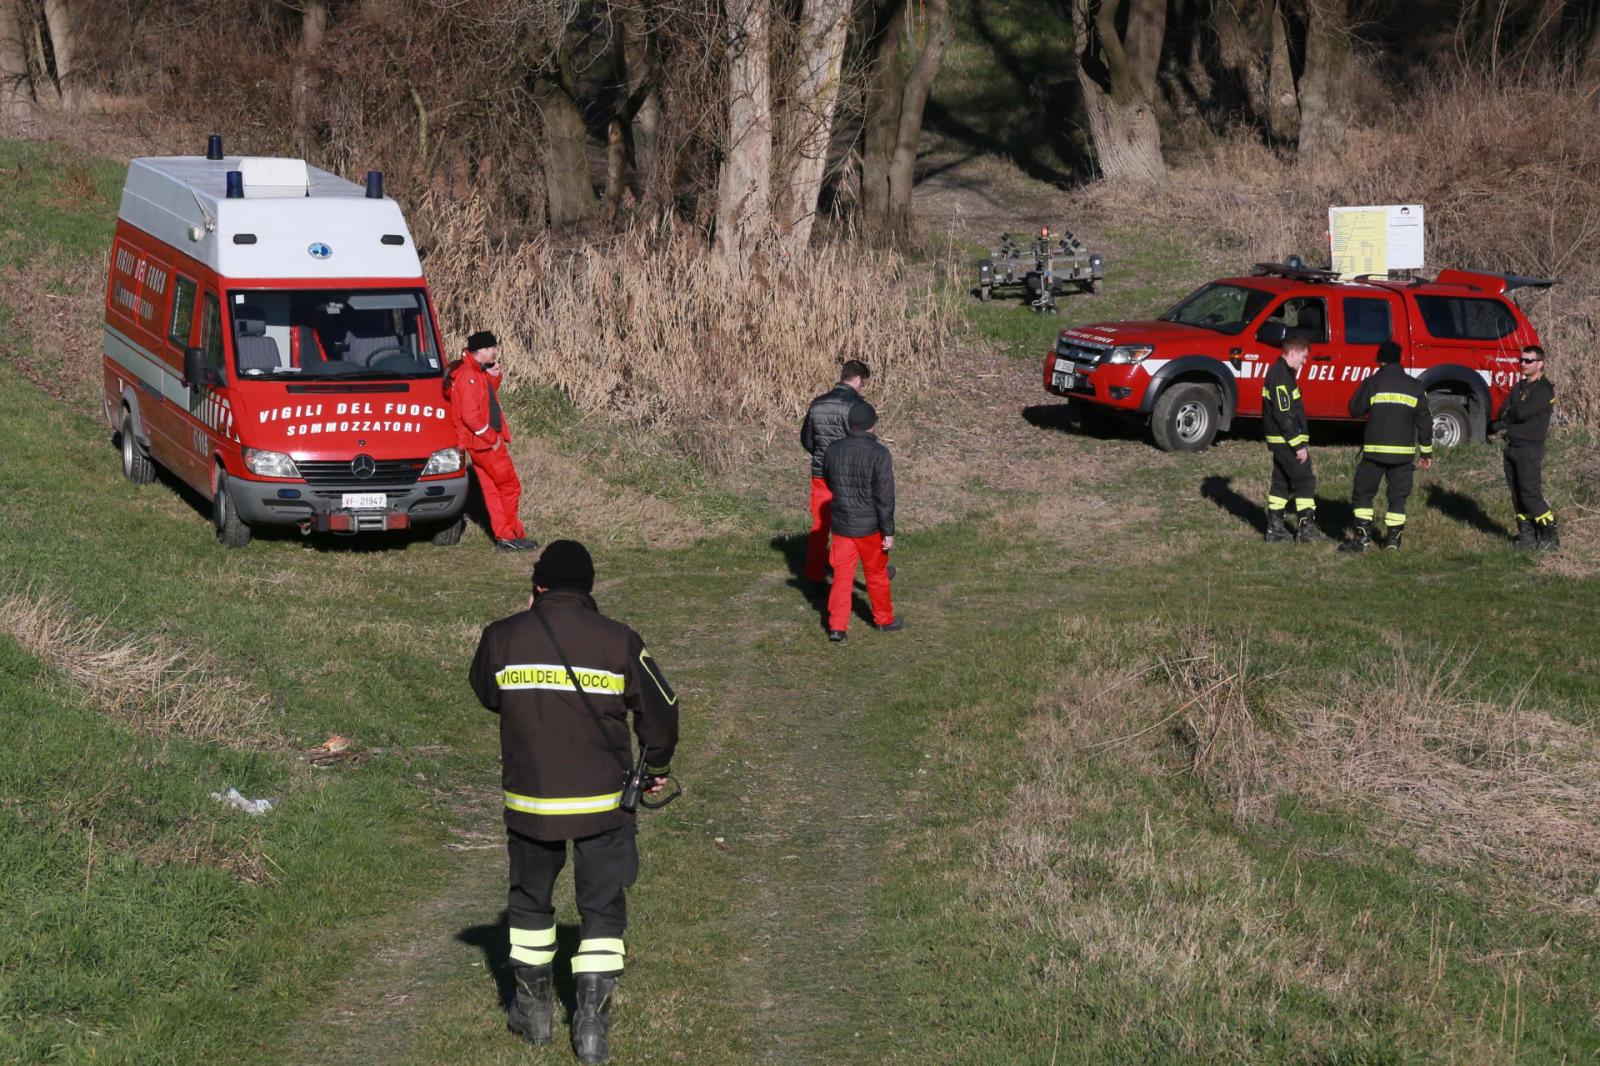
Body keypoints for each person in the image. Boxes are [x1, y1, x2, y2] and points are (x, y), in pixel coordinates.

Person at [469, 540, 679, 1063]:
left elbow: (486, 692)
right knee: (601, 909)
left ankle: (534, 1014)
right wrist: (654, 769)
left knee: (529, 901)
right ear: (589, 590)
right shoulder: (619, 640)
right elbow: (663, 709)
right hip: (603, 804)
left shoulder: (501, 637)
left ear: (537, 585)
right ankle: (591, 1028)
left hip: (529, 802)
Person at [448, 330, 537, 552]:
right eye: (491, 348)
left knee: (493, 491)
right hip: (485, 444)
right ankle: (512, 533)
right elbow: (470, 416)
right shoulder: (468, 376)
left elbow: (486, 399)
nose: (495, 351)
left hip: (481, 444)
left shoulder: (475, 372)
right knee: (510, 487)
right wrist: (492, 439)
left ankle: (504, 537)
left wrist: (494, 376)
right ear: (480, 351)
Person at [1341, 341, 1432, 552]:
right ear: (1399, 359)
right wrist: (1426, 452)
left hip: (1374, 453)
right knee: (1398, 498)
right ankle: (1393, 542)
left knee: (1363, 494)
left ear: (1380, 361)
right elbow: (1425, 421)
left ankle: (1362, 539)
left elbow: (1354, 409)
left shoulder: (1373, 382)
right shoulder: (1416, 386)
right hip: (1403, 456)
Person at [821, 401, 899, 642]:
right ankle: (884, 620)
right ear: (872, 426)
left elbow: (828, 481)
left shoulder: (833, 450)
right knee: (876, 575)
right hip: (870, 527)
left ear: (849, 425)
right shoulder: (879, 454)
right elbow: (884, 496)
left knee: (842, 577)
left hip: (843, 526)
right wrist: (888, 530)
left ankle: (837, 627)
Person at [800, 360, 870, 587]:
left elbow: (807, 439)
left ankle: (813, 575)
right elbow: (863, 442)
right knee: (855, 525)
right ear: (858, 379)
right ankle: (866, 570)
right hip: (848, 476)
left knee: (820, 526)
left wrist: (821, 455)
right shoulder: (856, 406)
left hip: (821, 474)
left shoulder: (817, 404)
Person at [1494, 344, 1558, 550]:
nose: (1523, 364)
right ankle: (1527, 537)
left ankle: (1550, 537)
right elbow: (1503, 411)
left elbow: (1521, 413)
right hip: (1512, 446)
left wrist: (1511, 413)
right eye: (1521, 360)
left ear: (1540, 364)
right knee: (1517, 494)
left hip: (1530, 449)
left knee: (1530, 493)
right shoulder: (1519, 386)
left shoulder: (1544, 389)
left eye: (1528, 361)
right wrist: (1510, 413)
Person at [1261, 335, 1324, 543]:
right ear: (1293, 353)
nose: (1305, 362)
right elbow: (1284, 414)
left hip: (1281, 441)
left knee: (1281, 483)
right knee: (1305, 480)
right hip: (1286, 441)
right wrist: (1298, 445)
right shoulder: (1281, 376)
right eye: (1303, 357)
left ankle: (1275, 530)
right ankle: (1307, 532)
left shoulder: (1284, 374)